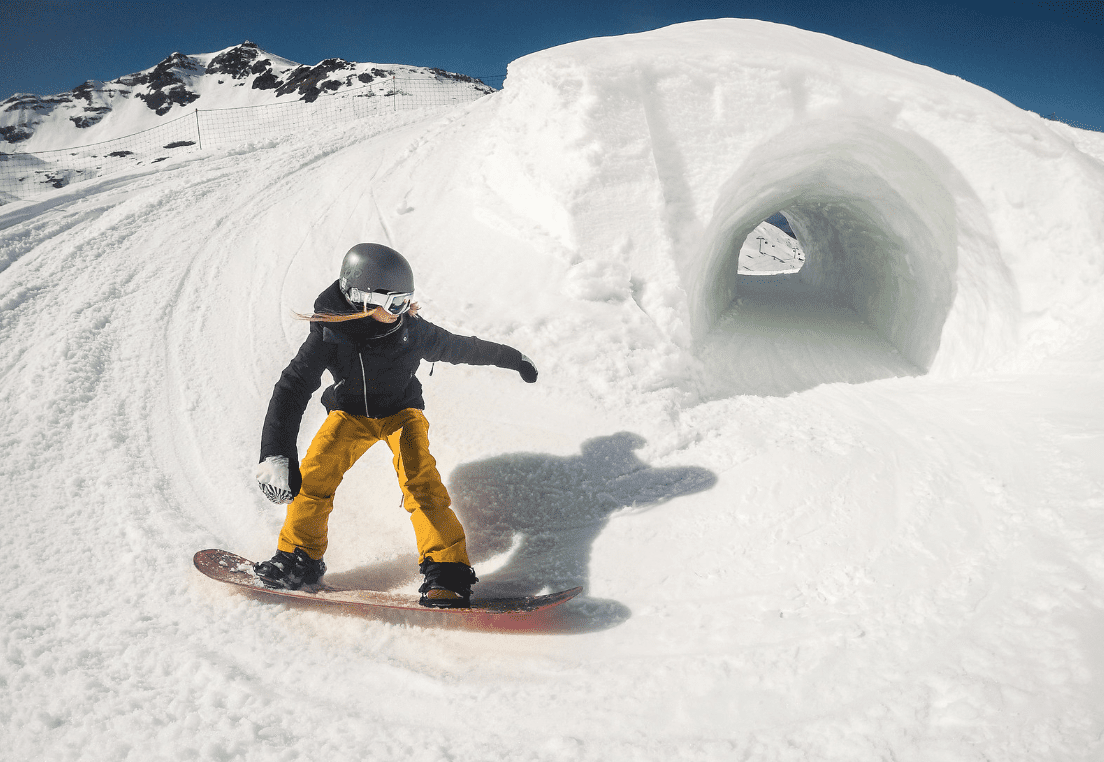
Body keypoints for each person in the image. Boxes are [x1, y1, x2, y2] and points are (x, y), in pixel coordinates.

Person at [252, 243, 538, 607]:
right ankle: (299, 558)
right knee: (314, 477)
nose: (402, 311)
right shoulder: (329, 335)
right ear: (360, 298)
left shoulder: (412, 331)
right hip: (349, 414)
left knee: (421, 484)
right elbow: (292, 388)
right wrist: (275, 454)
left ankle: (447, 570)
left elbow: (463, 347)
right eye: (393, 303)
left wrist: (513, 358)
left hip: (402, 413)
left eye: (407, 301)